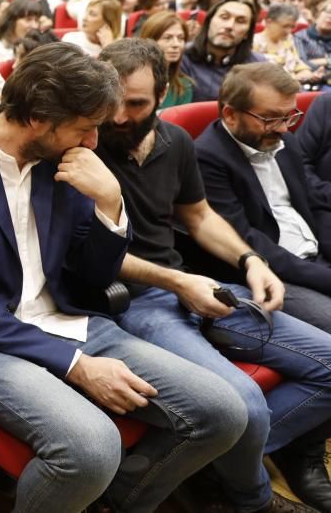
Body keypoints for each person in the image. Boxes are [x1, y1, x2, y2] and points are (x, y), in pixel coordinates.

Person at [0, 42, 247, 513]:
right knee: (91, 447)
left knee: (224, 413)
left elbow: (92, 278)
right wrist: (75, 365)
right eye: (85, 129)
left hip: (72, 318)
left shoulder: (65, 161)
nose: (93, 142)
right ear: (37, 119)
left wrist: (111, 205)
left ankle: (114, 502)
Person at [95, 39, 331, 513]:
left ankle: (204, 467)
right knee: (240, 402)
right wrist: (179, 282)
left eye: (136, 103)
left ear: (163, 95)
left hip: (186, 286)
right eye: (111, 101)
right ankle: (253, 499)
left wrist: (251, 261)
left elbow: (200, 216)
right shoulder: (85, 144)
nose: (119, 115)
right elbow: (86, 256)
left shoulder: (174, 142)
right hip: (131, 300)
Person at [195, 62, 331, 336]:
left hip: (314, 259)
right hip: (270, 273)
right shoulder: (206, 157)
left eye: (289, 116)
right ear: (231, 115)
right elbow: (247, 240)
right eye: (270, 118)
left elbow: (312, 206)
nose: (283, 128)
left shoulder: (284, 141)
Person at [182, 0, 265, 102]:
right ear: (209, 22)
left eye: (240, 21)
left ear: (247, 34)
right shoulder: (181, 57)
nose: (229, 26)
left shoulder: (257, 66)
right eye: (224, 17)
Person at [139, 11, 194, 109]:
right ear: (149, 41)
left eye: (181, 38)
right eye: (167, 38)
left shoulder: (184, 86)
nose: (176, 44)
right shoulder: (131, 81)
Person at [254, 3, 313, 83]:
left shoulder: (288, 39)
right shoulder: (255, 42)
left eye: (292, 27)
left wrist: (308, 74)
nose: (289, 31)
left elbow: (298, 64)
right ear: (269, 22)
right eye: (285, 26)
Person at [0, 0, 43, 66]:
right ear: (12, 21)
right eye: (28, 19)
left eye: (37, 20)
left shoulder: (40, 46)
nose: (34, 26)